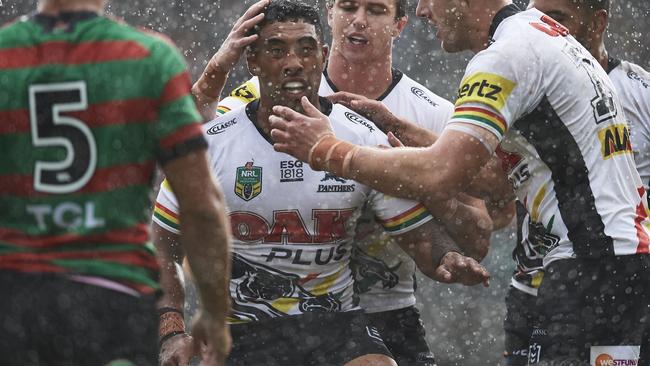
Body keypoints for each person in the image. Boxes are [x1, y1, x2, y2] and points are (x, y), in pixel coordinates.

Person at [268, 0, 650, 364]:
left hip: (594, 266)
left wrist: (328, 151)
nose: (421, 12)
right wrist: (400, 128)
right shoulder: (540, 34)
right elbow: (498, 179)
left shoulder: (504, 56)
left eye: (427, 1)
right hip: (603, 264)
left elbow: (442, 174)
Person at [153, 2, 490, 365]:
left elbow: (422, 237)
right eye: (277, 50)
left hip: (338, 323)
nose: (293, 62)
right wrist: (171, 331)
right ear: (252, 61)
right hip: (240, 329)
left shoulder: (364, 138)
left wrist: (446, 256)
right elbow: (163, 242)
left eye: (305, 49)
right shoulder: (215, 141)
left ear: (323, 54)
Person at [0, 0, 232, 365]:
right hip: (113, 301)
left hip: (13, 301)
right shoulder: (148, 59)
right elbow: (201, 207)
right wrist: (215, 314)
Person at [498, 1, 650, 365]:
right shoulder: (525, 78)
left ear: (597, 23)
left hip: (606, 281)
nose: (542, 25)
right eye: (535, 14)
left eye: (558, 18)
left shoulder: (640, 93)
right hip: (531, 288)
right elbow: (489, 177)